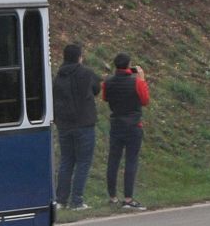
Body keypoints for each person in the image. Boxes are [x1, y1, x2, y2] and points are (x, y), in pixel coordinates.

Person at [53, 42, 100, 210]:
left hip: (64, 125)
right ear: (79, 57)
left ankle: (60, 199)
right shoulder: (86, 73)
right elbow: (96, 89)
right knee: (83, 162)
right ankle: (77, 200)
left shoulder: (58, 76)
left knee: (66, 161)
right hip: (84, 124)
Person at [102, 52, 150, 210]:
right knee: (131, 160)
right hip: (133, 125)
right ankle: (128, 198)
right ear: (129, 65)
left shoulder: (108, 82)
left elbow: (105, 98)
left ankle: (112, 196)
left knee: (113, 160)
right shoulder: (135, 82)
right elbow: (145, 100)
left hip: (116, 124)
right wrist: (142, 78)